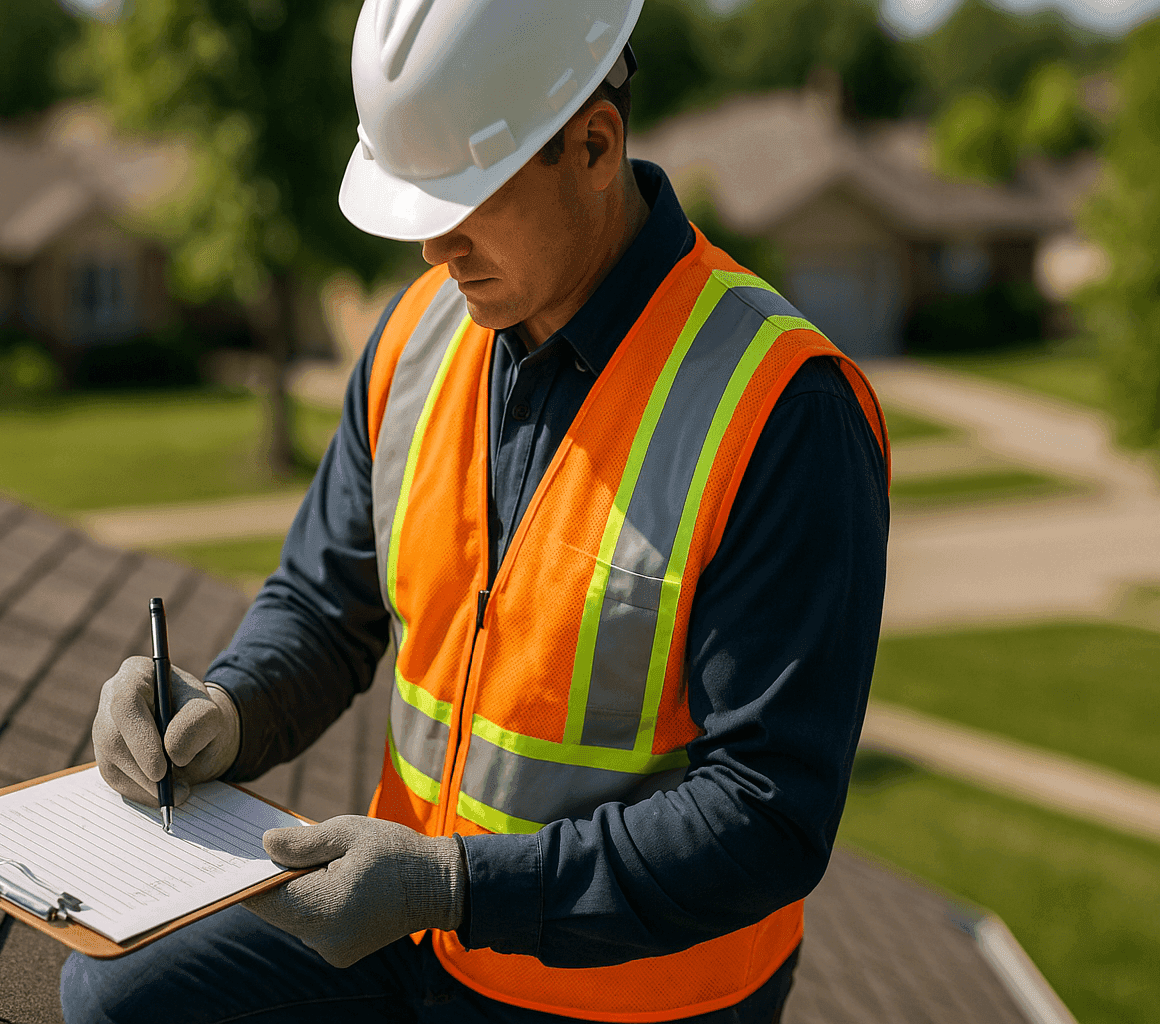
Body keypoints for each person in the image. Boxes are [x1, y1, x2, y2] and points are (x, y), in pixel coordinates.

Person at [61, 1, 889, 1021]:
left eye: (462, 197)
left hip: (626, 996)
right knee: (112, 991)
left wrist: (455, 883)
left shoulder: (784, 409)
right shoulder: (417, 336)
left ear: (594, 145)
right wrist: (224, 711)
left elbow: (769, 813)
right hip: (404, 930)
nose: (431, 248)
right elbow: (325, 605)